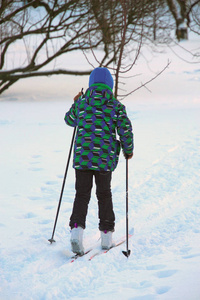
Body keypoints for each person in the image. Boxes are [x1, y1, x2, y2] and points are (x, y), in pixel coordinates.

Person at [64, 67, 133, 255]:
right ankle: (106, 237)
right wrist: (128, 150)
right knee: (104, 194)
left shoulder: (83, 102)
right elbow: (125, 129)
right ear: (110, 85)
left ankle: (76, 233)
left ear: (91, 84)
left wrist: (76, 102)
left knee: (82, 194)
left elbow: (69, 120)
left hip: (82, 158)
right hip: (104, 159)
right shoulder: (115, 106)